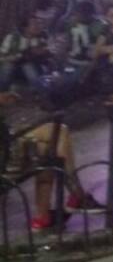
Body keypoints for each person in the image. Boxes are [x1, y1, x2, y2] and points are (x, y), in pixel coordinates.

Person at [0, 92, 105, 231]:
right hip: (5, 156)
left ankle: (44, 217)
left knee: (51, 143)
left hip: (8, 145)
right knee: (56, 138)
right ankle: (76, 196)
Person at [0, 14, 51, 91]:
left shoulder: (39, 39)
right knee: (8, 66)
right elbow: (1, 57)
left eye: (38, 23)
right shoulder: (12, 38)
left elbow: (45, 58)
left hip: (30, 71)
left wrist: (43, 52)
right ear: (25, 27)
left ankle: (39, 92)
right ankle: (2, 92)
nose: (37, 26)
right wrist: (13, 57)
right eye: (34, 24)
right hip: (13, 68)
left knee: (28, 66)